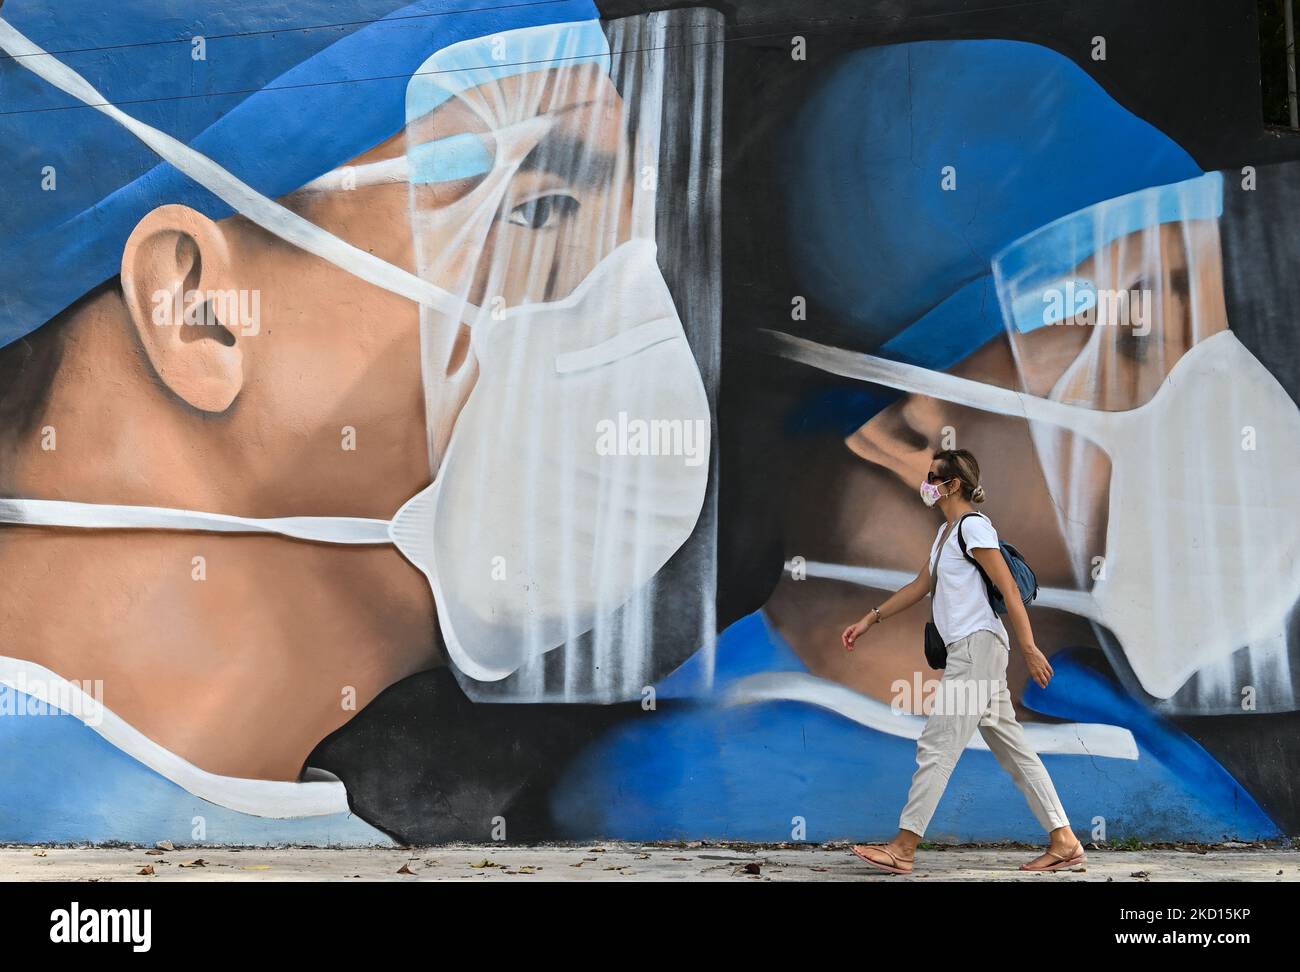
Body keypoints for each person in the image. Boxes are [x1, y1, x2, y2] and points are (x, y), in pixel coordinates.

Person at [839, 448, 1084, 873]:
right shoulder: (946, 534)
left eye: (934, 476)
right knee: (1014, 750)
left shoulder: (973, 528)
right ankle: (1064, 840)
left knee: (937, 745)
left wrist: (1028, 647)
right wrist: (869, 619)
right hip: (971, 651)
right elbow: (920, 586)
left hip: (976, 649)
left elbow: (1008, 589)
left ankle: (904, 847)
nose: (927, 483)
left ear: (954, 485)